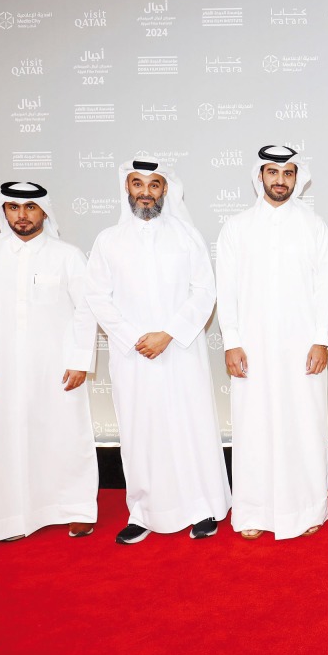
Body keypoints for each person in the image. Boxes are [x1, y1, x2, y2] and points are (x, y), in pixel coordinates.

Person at [84, 158, 232, 545]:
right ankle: (144, 512)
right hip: (132, 356)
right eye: (137, 184)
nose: (145, 192)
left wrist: (168, 333)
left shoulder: (187, 236)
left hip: (180, 350)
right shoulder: (108, 241)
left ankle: (203, 508)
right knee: (140, 431)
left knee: (190, 425)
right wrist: (135, 336)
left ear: (166, 189)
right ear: (127, 189)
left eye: (154, 185)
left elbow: (204, 292)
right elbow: (97, 296)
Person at [0, 182, 98, 543]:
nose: (21, 215)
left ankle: (78, 509)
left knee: (67, 434)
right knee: (12, 438)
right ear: (3, 212)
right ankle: (11, 517)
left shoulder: (67, 255)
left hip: (59, 369)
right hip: (7, 367)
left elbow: (86, 312)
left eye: (29, 208)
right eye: (13, 208)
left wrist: (80, 359)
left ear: (44, 211)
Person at [217, 146, 328, 541]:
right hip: (251, 348)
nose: (279, 180)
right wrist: (231, 341)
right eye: (272, 172)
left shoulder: (314, 225)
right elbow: (227, 290)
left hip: (303, 348)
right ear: (259, 176)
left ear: (297, 177)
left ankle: (306, 508)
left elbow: (324, 289)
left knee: (304, 425)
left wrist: (322, 339)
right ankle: (253, 511)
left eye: (287, 172)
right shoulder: (236, 227)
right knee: (252, 426)